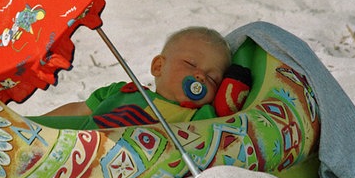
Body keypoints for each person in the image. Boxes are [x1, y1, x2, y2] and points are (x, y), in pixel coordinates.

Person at [43, 26, 235, 128]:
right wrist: (33, 124)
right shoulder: (121, 92)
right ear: (159, 67)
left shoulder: (199, 118)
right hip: (78, 142)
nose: (200, 76)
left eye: (213, 78)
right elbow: (77, 112)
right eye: (191, 64)